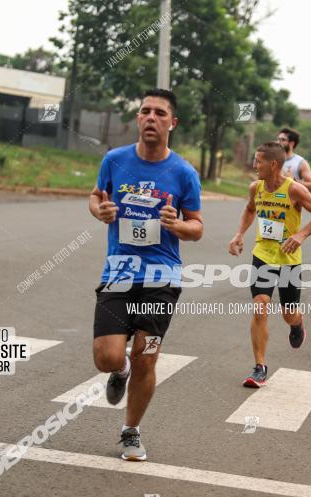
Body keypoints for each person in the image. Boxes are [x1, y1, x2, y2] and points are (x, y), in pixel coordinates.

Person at [89, 88, 203, 461]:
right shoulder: (114, 160)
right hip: (119, 271)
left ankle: (131, 430)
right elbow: (95, 196)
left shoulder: (184, 173)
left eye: (159, 113)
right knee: (106, 356)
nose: (151, 118)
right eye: (145, 112)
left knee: (147, 356)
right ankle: (118, 370)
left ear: (173, 122)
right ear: (138, 119)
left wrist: (177, 225)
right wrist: (100, 211)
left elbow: (197, 228)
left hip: (162, 277)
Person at [228, 142, 311, 387]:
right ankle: (260, 366)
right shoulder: (256, 187)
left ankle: (297, 324)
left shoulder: (294, 190)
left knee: (288, 314)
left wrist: (301, 235)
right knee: (260, 306)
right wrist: (239, 234)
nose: (254, 166)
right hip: (263, 254)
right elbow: (250, 210)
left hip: (289, 259)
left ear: (273, 164)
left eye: (258, 161)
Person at [276, 127, 311, 193]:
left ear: (292, 143)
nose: (278, 142)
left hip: (292, 201)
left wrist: (293, 180)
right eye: (278, 139)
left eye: (283, 140)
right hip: (274, 201)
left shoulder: (300, 162)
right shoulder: (272, 160)